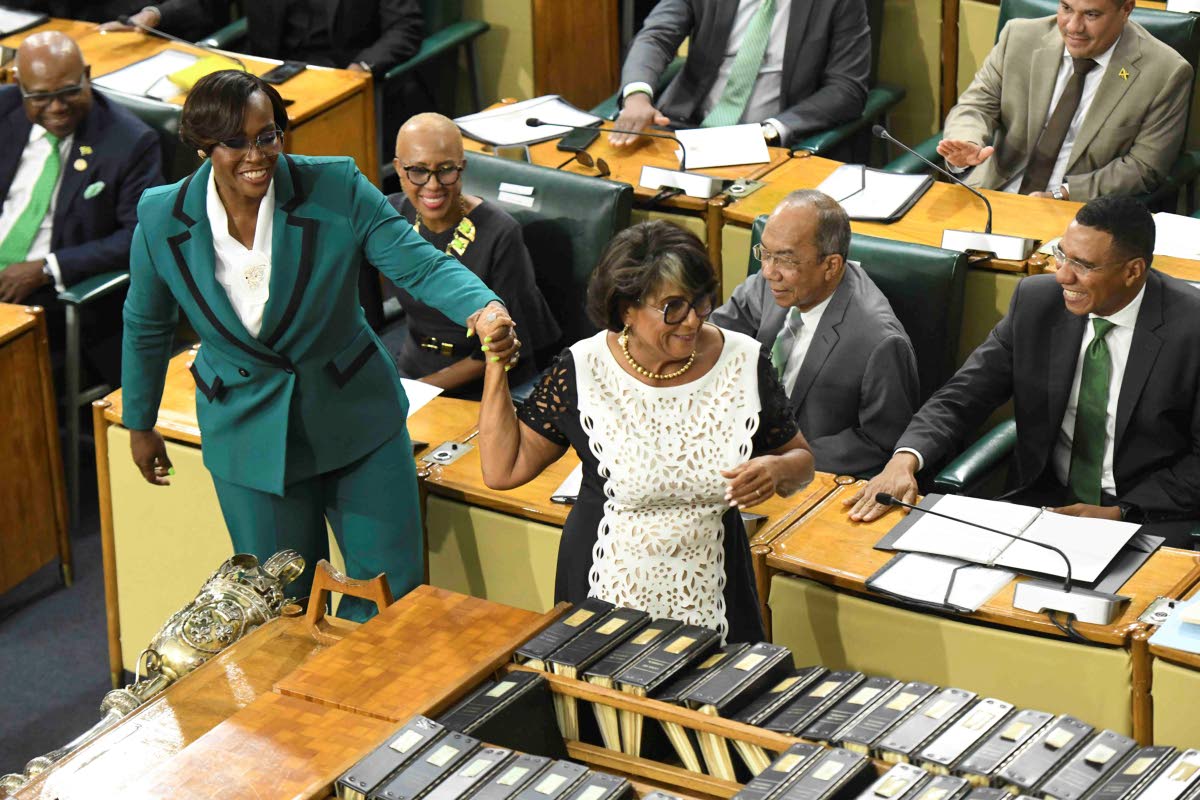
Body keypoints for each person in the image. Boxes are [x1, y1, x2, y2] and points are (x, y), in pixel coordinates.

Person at [120, 70, 515, 620]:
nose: (256, 154)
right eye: (235, 142)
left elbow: (419, 262)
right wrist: (140, 423)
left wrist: (482, 306)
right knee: (279, 610)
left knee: (389, 600)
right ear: (204, 145)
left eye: (267, 136)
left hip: (356, 419)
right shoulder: (161, 217)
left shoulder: (335, 186)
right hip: (249, 434)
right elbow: (145, 324)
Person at [475, 220, 815, 643]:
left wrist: (778, 470)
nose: (692, 321)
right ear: (626, 310)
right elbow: (502, 470)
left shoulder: (744, 362)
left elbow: (802, 461)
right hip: (602, 584)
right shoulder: (584, 368)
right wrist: (495, 365)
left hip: (717, 589)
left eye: (700, 302)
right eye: (673, 307)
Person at [847, 196, 1200, 547]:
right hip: (1042, 501)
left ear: (1132, 271)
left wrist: (1121, 512)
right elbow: (963, 395)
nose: (1062, 274)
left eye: (1083, 264)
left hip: (1150, 515)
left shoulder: (1192, 327)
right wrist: (903, 459)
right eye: (1062, 254)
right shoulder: (1036, 302)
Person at [711, 191, 918, 476]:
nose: (769, 271)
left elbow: (881, 442)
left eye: (785, 260)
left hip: (813, 478)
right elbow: (714, 343)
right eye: (765, 253)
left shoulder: (879, 341)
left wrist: (786, 463)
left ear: (830, 265)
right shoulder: (770, 283)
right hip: (737, 452)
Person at [0, 31, 162, 385]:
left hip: (53, 294)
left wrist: (46, 268)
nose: (57, 107)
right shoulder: (4, 109)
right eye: (41, 97)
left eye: (69, 91)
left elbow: (139, 236)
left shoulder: (130, 141)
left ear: (87, 75)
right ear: (19, 84)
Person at [936, 0, 1191, 202]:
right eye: (1066, 8)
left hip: (1082, 211)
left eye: (1091, 15)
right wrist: (968, 142)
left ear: (1126, 9)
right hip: (992, 190)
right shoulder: (1019, 37)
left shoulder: (1165, 72)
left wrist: (1064, 194)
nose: (1073, 27)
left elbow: (1143, 167)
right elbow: (977, 105)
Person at [386, 113, 561, 399]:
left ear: (462, 167)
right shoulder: (390, 216)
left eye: (446, 170)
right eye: (418, 170)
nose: (433, 185)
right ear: (398, 169)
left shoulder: (501, 233)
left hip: (489, 379)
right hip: (413, 368)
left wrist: (419, 391)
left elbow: (500, 349)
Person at [612, 0, 870, 149]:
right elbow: (656, 37)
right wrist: (637, 95)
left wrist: (773, 131)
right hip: (682, 129)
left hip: (767, 144)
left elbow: (847, 88)